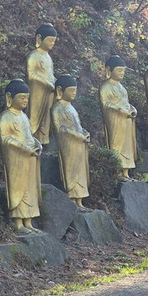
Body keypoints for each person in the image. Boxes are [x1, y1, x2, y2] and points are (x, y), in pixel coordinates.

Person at [0, 79, 42, 233]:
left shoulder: (24, 117)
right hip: (16, 160)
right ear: (10, 98)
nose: (25, 101)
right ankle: (18, 224)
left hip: (30, 158)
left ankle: (29, 222)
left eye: (27, 98)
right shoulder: (6, 117)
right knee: (19, 189)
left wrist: (37, 143)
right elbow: (6, 139)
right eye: (22, 97)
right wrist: (24, 148)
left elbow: (29, 135)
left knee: (30, 189)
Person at [50, 75, 90, 210]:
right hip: (68, 146)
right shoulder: (57, 108)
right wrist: (78, 135)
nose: (74, 93)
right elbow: (60, 128)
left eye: (75, 90)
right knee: (72, 171)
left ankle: (80, 201)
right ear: (60, 91)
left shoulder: (71, 107)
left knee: (80, 172)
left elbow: (77, 125)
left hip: (78, 145)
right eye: (71, 90)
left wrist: (84, 132)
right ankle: (72, 200)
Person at [100, 55, 138, 180]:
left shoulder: (123, 89)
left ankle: (125, 172)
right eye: (119, 70)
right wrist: (120, 110)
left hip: (126, 120)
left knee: (127, 146)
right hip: (115, 120)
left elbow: (126, 103)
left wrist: (132, 108)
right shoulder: (106, 87)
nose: (122, 73)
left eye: (123, 70)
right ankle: (117, 171)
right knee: (117, 144)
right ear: (109, 71)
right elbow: (106, 103)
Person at [26, 24, 57, 146]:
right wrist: (46, 83)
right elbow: (31, 75)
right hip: (37, 92)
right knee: (34, 116)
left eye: (54, 41)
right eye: (50, 40)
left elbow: (50, 74)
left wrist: (55, 82)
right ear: (39, 39)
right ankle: (31, 137)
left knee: (47, 118)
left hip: (49, 92)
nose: (52, 43)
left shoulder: (48, 57)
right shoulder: (33, 55)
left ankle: (43, 140)